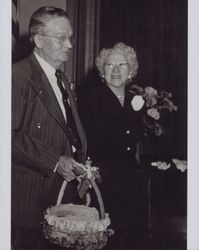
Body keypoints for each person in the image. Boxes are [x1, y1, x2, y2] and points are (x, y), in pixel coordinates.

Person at [12, 6, 87, 250]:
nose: (69, 45)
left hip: (61, 198)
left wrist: (81, 163)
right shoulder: (17, 75)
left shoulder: (61, 79)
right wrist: (55, 160)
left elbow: (68, 131)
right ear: (39, 40)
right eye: (61, 38)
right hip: (30, 203)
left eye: (71, 38)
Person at [78, 42, 147, 247]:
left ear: (131, 71)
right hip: (103, 181)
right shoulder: (90, 100)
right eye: (110, 65)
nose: (116, 69)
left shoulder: (136, 100)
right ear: (102, 70)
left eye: (122, 64)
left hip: (130, 180)